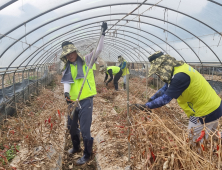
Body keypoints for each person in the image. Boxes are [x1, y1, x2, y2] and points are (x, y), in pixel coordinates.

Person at [131, 51, 222, 142]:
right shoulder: (178, 69)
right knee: (213, 137)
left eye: (158, 71)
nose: (158, 74)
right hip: (211, 106)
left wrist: (146, 106)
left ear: (164, 66)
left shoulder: (180, 76)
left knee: (192, 141)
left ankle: (197, 153)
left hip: (205, 112)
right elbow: (165, 88)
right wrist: (151, 99)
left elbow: (165, 99)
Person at [60, 22, 107, 165]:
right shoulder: (66, 67)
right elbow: (67, 82)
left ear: (76, 51)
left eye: (72, 52)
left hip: (85, 99)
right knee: (71, 127)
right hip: (72, 101)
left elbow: (98, 50)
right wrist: (66, 94)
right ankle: (76, 147)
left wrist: (102, 34)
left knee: (85, 129)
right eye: (67, 54)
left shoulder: (87, 60)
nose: (70, 56)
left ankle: (87, 154)